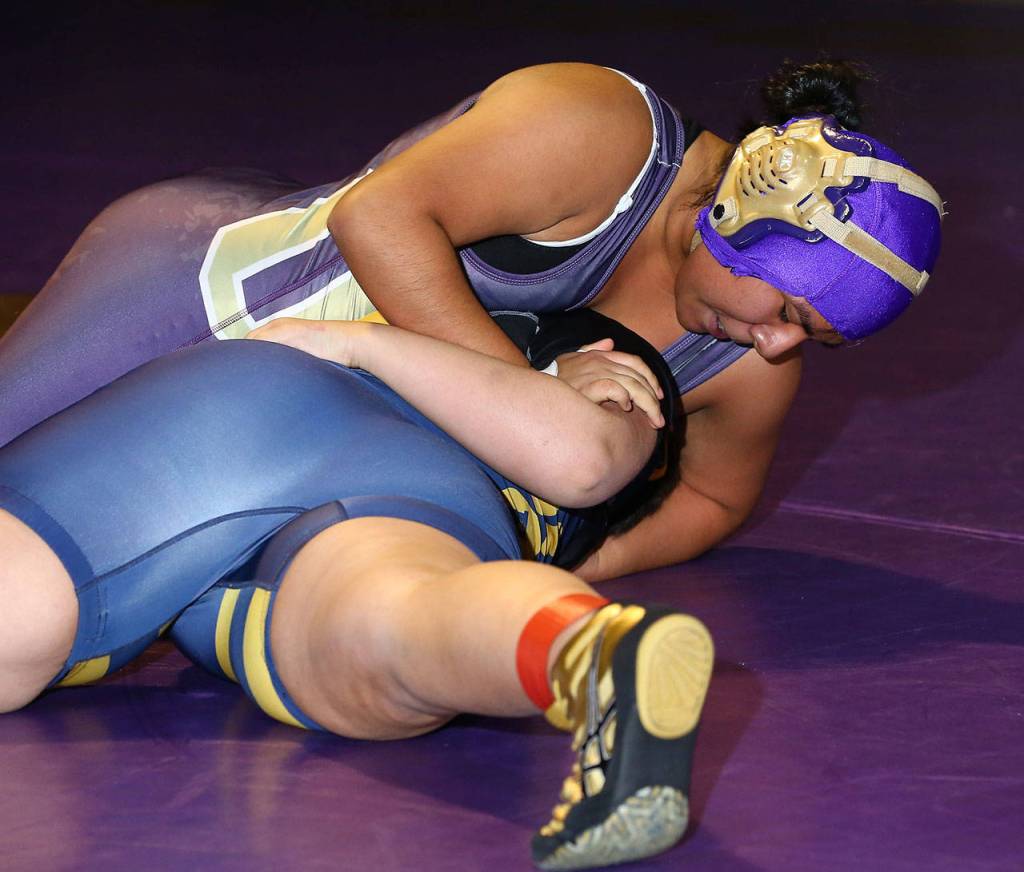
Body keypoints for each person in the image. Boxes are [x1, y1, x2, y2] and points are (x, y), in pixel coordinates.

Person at [0, 59, 944, 584]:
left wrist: (571, 562)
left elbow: (714, 501)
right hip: (214, 292)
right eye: (786, 311)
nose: (781, 346)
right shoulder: (603, 130)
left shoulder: (745, 357)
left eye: (814, 340)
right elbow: (377, 217)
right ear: (722, 222)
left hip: (292, 429)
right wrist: (529, 405)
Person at [1, 307, 709, 870]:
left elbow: (594, 456)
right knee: (402, 620)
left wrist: (354, 342)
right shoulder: (574, 470)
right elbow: (666, 490)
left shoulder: (596, 404)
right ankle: (581, 646)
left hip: (247, 410)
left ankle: (586, 648)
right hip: (409, 492)